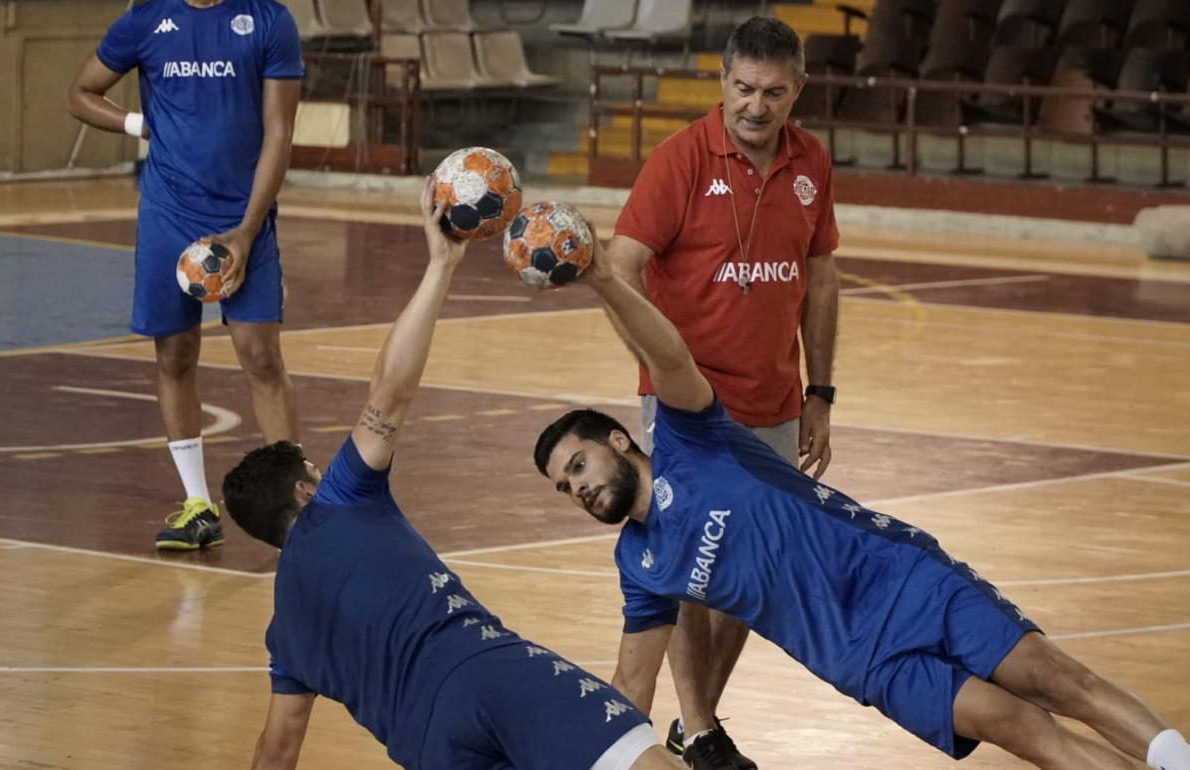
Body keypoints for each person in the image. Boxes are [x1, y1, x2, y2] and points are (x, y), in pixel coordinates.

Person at [531, 236, 1190, 770]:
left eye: (579, 465)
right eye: (565, 486)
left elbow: (667, 353)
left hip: (901, 578)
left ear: (619, 441)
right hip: (864, 659)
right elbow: (632, 685)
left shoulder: (690, 438)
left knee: (1056, 681)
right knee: (1018, 727)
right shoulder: (641, 564)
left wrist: (605, 280)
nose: (578, 487)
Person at [220, 181, 683, 770]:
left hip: (425, 747)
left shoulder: (286, 634)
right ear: (304, 489)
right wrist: (441, 264)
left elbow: (276, 749)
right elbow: (390, 392)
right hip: (486, 673)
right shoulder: (339, 499)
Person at [605, 16, 840, 757]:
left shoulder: (812, 161)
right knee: (687, 562)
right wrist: (654, 361)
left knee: (754, 569)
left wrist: (822, 391)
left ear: (798, 89)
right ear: (722, 81)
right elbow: (619, 264)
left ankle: (696, 720)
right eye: (743, 88)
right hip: (687, 408)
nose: (755, 106)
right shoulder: (679, 159)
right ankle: (702, 727)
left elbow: (822, 277)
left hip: (776, 400)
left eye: (773, 92)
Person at [65, 0, 303, 549]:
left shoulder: (269, 20)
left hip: (243, 215)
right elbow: (80, 94)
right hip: (167, 213)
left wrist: (247, 231)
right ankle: (198, 507)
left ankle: (300, 510)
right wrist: (139, 123)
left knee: (261, 357)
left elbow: (280, 132)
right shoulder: (145, 20)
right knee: (174, 355)